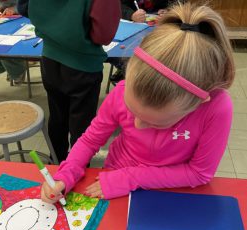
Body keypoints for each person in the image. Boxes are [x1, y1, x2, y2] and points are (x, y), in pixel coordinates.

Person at [40, 2, 235, 202]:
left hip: (171, 188)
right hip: (115, 173)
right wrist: (66, 174)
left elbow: (199, 173)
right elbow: (90, 140)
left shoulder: (216, 108)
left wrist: (131, 178)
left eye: (155, 123)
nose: (137, 125)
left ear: (197, 103)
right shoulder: (123, 91)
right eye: (133, 111)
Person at [28, 0, 121, 162]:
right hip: (82, 64)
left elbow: (26, 8)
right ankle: (74, 173)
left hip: (49, 57)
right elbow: (103, 35)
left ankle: (56, 164)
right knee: (81, 127)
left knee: (57, 116)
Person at [110, 0, 169, 83]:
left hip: (162, 29)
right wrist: (131, 15)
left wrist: (169, 11)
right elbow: (119, 5)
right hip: (133, 28)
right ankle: (126, 71)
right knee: (123, 55)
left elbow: (180, 3)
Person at [0, 0, 26, 85]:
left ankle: (17, 71)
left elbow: (32, 4)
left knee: (10, 43)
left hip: (25, 18)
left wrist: (15, 9)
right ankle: (9, 69)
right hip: (5, 19)